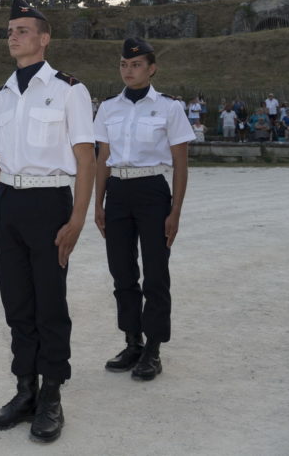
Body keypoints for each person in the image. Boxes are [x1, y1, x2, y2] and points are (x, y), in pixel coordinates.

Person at [0, 0, 95, 443]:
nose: (13, 36)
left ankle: (51, 395)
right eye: (10, 30)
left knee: (50, 304)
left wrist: (78, 218)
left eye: (23, 30)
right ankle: (24, 389)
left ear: (44, 39)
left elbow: (86, 158)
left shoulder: (69, 90)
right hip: (10, 202)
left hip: (50, 203)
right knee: (17, 304)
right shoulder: (1, 96)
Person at [93, 37, 195, 383]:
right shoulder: (108, 108)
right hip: (118, 192)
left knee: (155, 273)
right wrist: (98, 203)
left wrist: (175, 210)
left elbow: (180, 164)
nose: (128, 71)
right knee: (122, 272)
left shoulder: (169, 108)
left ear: (152, 69)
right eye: (123, 65)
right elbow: (102, 158)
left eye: (136, 65)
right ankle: (132, 341)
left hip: (153, 191)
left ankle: (153, 348)